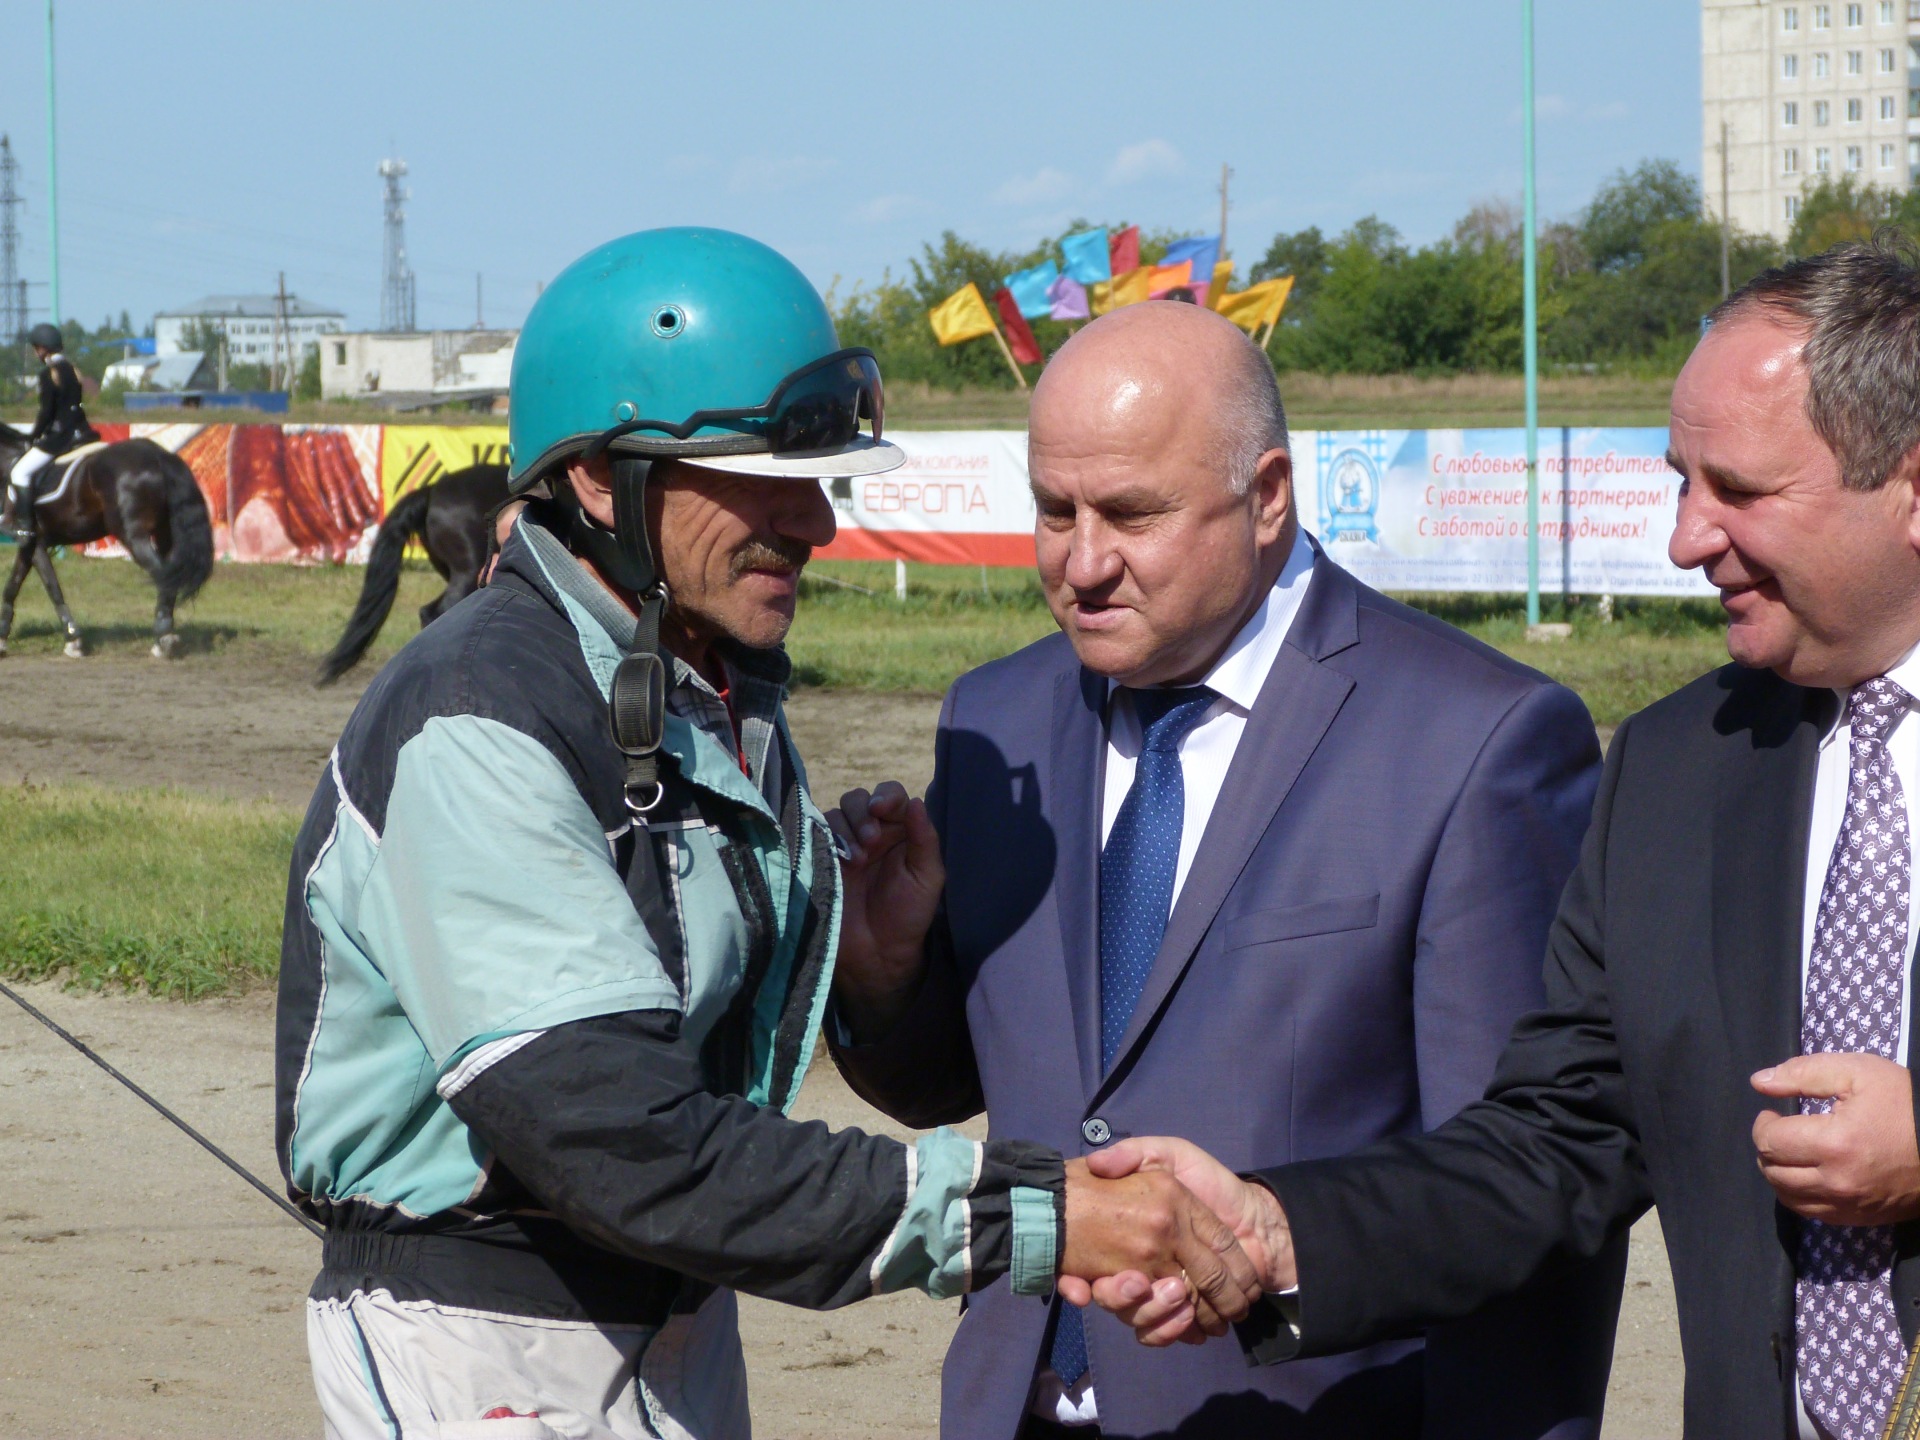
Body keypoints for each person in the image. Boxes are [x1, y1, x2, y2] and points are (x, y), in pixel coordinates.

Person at [273, 229, 1261, 1440]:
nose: (813, 524)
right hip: (488, 1342)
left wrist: (874, 970)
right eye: (763, 478)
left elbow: (706, 1073)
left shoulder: (705, 682)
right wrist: (1043, 1215)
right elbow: (627, 1146)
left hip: (670, 1314)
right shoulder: (477, 716)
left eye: (822, 478)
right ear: (604, 480)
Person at [1081, 241, 1920, 1440]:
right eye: (1682, 482)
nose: (1686, 539)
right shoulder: (1679, 768)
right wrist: (1278, 1232)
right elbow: (1560, 1140)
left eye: (1739, 491)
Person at [826, 300, 1626, 1439]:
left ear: (1268, 497)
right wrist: (885, 979)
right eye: (1054, 511)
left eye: (1132, 514)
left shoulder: (1476, 740)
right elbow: (980, 1083)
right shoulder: (993, 721)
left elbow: (1530, 1174)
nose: (1083, 563)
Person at [4, 323, 95, 539]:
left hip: (60, 438)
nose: (36, 352)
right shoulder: (73, 370)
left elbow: (46, 413)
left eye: (36, 348)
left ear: (43, 348)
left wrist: (33, 435)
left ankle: (25, 526)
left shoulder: (48, 374)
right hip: (82, 432)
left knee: (19, 472)